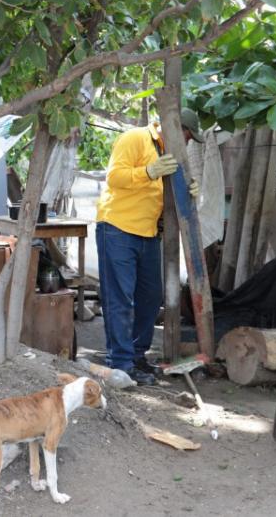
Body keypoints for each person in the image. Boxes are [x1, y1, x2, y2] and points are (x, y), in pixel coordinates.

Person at [95, 110, 201, 386]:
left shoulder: (169, 154)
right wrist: (148, 171)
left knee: (151, 297)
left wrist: (188, 191)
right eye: (188, 136)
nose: (188, 143)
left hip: (148, 233)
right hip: (117, 228)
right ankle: (120, 363)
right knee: (120, 299)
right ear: (175, 129)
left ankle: (137, 355)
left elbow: (165, 196)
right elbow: (114, 177)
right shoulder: (135, 138)